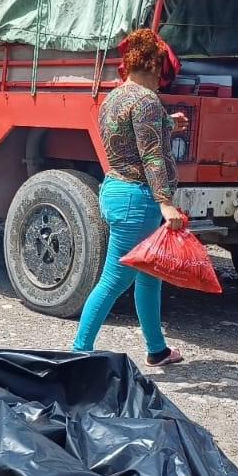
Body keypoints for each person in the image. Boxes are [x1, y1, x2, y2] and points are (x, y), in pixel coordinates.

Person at [72, 28, 188, 367]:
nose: (162, 82)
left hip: (116, 189)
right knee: (113, 281)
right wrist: (165, 203)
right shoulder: (146, 100)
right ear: (152, 65)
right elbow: (151, 156)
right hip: (138, 200)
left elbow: (128, 138)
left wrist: (166, 124)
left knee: (150, 275)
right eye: (163, 73)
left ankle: (157, 349)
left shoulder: (116, 97)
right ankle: (78, 353)